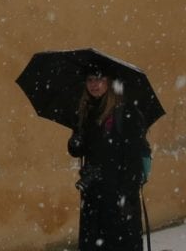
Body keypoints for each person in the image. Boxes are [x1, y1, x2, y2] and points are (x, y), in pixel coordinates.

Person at [67, 73, 152, 250]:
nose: (94, 84)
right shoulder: (85, 111)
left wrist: (126, 197)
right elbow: (76, 150)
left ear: (110, 82)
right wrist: (76, 139)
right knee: (94, 243)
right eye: (89, 79)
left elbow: (133, 159)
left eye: (99, 79)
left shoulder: (125, 112)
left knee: (119, 244)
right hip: (93, 194)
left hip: (118, 194)